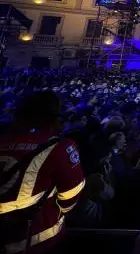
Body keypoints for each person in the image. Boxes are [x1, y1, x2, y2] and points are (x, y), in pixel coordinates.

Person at [0, 91, 85, 253]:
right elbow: (70, 196)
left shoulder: (4, 139)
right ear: (53, 118)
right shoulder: (60, 147)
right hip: (36, 238)